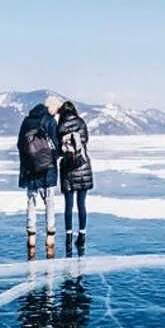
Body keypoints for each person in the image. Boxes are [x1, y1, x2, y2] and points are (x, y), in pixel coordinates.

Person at [17, 96, 62, 257]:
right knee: (49, 201)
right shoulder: (50, 121)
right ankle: (50, 238)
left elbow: (20, 145)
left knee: (31, 201)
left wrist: (29, 161)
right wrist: (52, 157)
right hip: (47, 169)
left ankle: (31, 238)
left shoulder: (27, 121)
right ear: (52, 109)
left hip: (30, 170)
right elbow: (58, 145)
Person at [56, 100, 93, 255]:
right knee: (81, 204)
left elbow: (58, 149)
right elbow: (85, 141)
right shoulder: (82, 123)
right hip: (83, 167)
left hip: (68, 170)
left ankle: (69, 238)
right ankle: (82, 235)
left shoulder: (61, 126)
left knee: (68, 206)